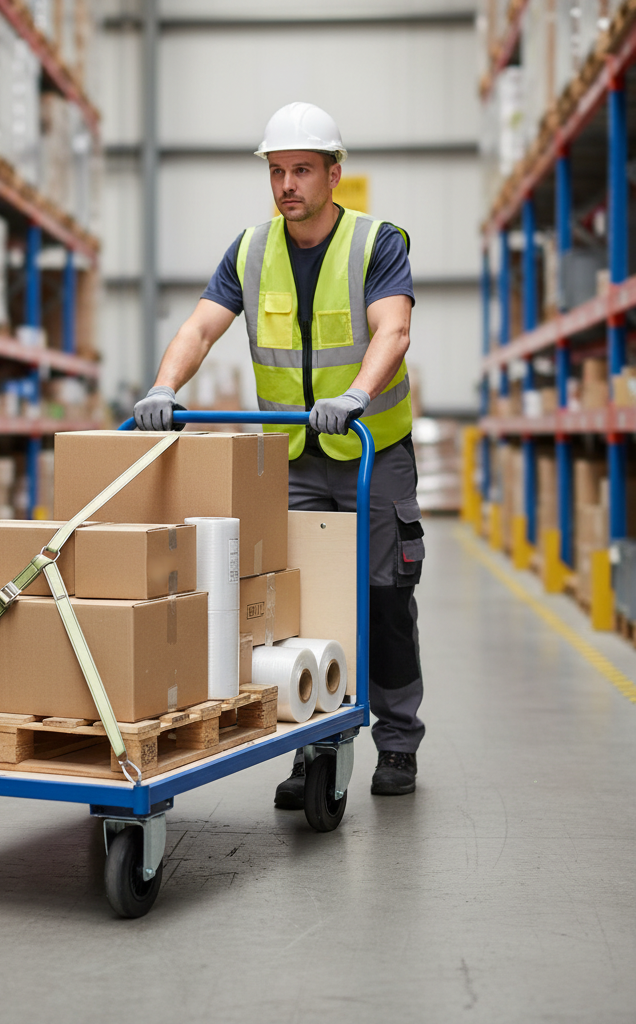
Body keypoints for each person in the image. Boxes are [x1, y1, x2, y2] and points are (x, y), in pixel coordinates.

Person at [133, 101, 424, 800]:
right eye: (277, 171)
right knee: (299, 601)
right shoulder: (251, 250)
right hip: (293, 458)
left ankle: (397, 741)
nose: (287, 184)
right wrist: (164, 386)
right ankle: (313, 740)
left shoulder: (376, 243)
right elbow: (201, 329)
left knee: (385, 597)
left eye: (302, 170)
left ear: (333, 173)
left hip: (372, 449)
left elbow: (393, 330)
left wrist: (356, 394)